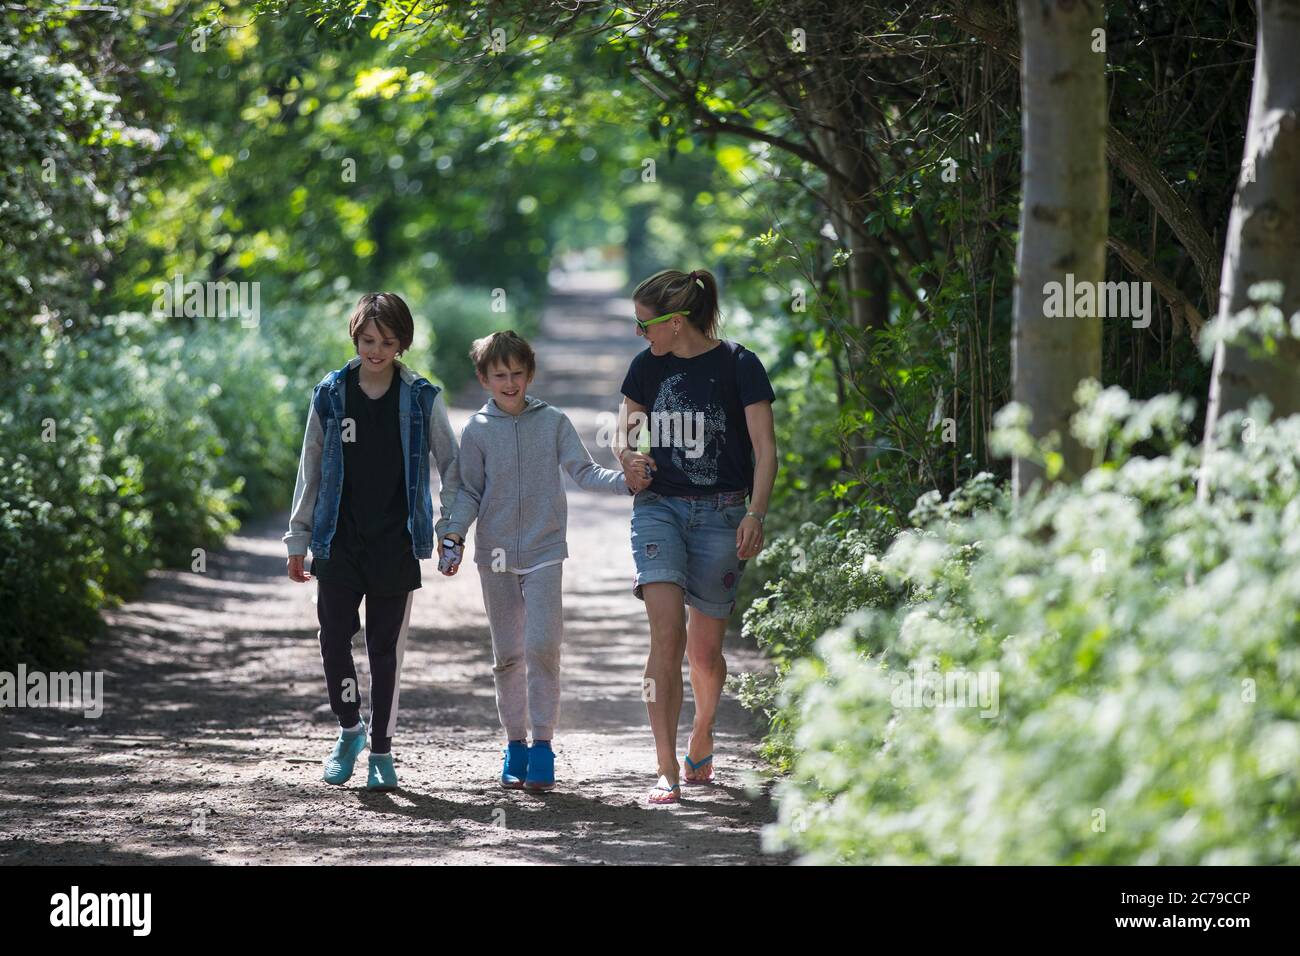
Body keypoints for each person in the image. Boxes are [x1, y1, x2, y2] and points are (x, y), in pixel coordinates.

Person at [283, 292, 462, 792]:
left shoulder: (422, 398)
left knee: (385, 649)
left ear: (402, 343)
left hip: (395, 544)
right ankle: (349, 730)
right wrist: (298, 537)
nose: (376, 350)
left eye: (386, 342)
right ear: (355, 338)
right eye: (367, 340)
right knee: (334, 638)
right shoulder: (332, 394)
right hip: (338, 541)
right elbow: (311, 469)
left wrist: (451, 529)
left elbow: (453, 465)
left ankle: (381, 750)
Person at [441, 330, 631, 792]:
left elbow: (585, 471)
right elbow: (468, 490)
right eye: (500, 375)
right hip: (497, 556)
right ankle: (515, 745)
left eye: (517, 374)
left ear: (530, 375)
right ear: (484, 378)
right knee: (508, 655)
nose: (510, 383)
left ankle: (543, 746)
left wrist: (627, 482)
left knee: (543, 647)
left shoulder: (553, 422)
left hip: (546, 551)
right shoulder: (477, 431)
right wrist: (453, 535)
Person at [616, 269, 778, 805]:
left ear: (676, 322)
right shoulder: (646, 368)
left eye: (646, 325)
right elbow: (626, 431)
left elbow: (765, 449)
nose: (641, 336)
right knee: (666, 636)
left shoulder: (738, 364)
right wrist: (629, 459)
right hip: (659, 509)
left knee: (705, 654)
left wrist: (756, 512)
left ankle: (702, 732)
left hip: (722, 514)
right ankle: (665, 768)